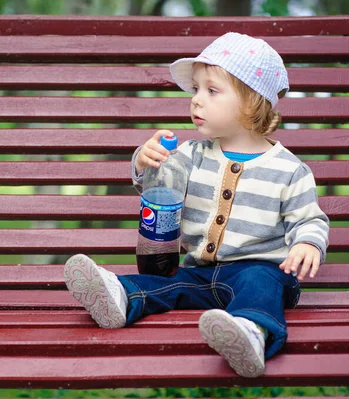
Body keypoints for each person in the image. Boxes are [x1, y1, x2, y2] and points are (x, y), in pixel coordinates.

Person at [63, 32, 330, 378]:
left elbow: (310, 219)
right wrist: (147, 161)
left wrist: (308, 242)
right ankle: (120, 296)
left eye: (211, 91)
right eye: (195, 90)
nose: (196, 101)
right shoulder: (190, 155)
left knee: (260, 282)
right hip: (200, 274)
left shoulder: (289, 169)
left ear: (252, 102)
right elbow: (162, 188)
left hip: (260, 272)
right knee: (170, 285)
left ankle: (251, 332)